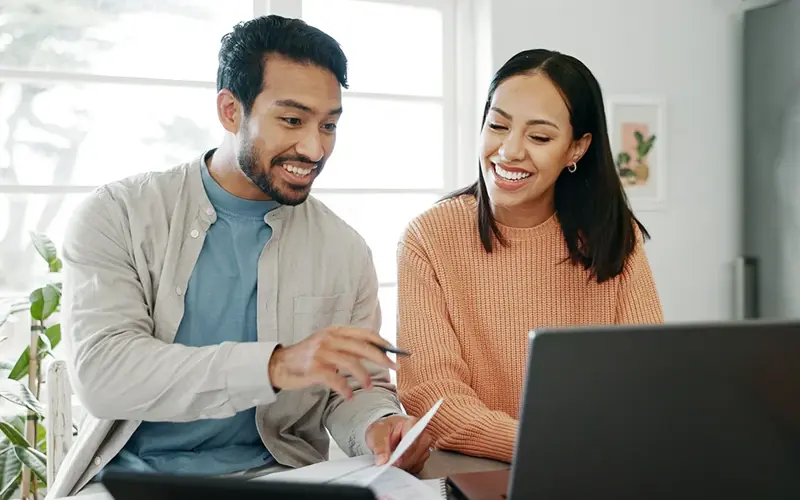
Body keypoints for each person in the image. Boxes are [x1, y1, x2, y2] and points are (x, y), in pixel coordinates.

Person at [48, 15, 430, 499]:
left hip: (279, 481)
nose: (314, 148)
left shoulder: (345, 249)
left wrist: (379, 425)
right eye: (292, 120)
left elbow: (353, 389)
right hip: (128, 485)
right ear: (231, 111)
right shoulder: (118, 214)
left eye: (329, 125)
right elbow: (104, 375)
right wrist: (275, 366)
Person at [396, 49, 663, 464]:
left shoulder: (614, 236)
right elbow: (434, 399)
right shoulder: (429, 238)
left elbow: (648, 380)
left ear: (577, 148)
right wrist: (551, 447)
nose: (509, 151)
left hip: (598, 470)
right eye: (498, 125)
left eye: (539, 137)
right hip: (480, 472)